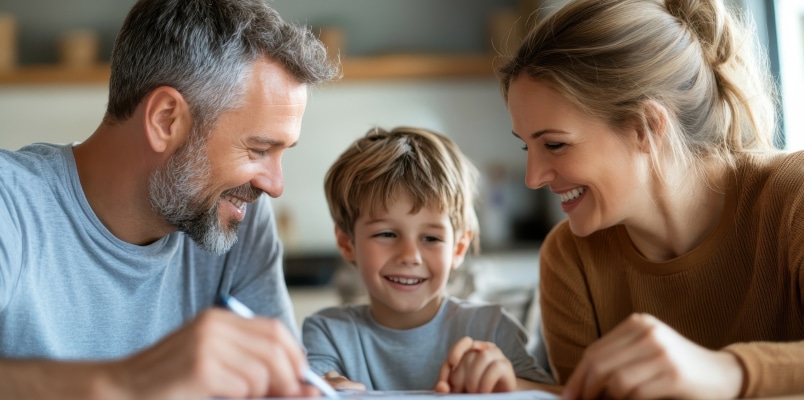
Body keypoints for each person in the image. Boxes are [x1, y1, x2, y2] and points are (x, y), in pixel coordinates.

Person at [0, 0, 338, 398]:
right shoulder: (12, 205)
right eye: (258, 150)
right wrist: (129, 383)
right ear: (165, 120)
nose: (274, 185)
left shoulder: (236, 217)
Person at [498, 0, 804, 398]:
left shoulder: (793, 198)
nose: (533, 178)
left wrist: (727, 373)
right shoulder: (570, 259)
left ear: (647, 126)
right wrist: (512, 390)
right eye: (528, 148)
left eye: (555, 145)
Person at [302, 126, 555, 393]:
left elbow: (554, 394)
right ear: (346, 242)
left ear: (458, 248)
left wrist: (509, 383)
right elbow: (309, 389)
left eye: (431, 238)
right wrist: (322, 390)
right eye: (387, 234)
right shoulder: (327, 333)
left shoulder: (491, 327)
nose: (410, 256)